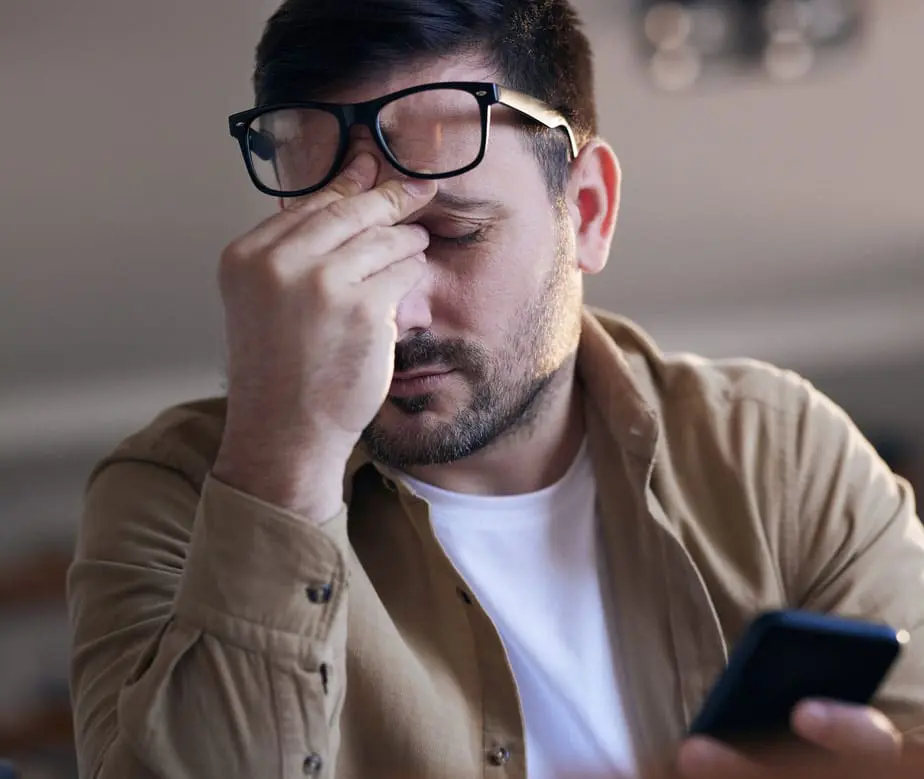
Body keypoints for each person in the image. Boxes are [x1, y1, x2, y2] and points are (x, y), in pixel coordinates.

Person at [66, 0, 924, 777]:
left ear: (586, 213)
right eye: (337, 244)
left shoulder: (780, 450)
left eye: (454, 232)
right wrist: (281, 455)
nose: (392, 311)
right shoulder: (179, 492)